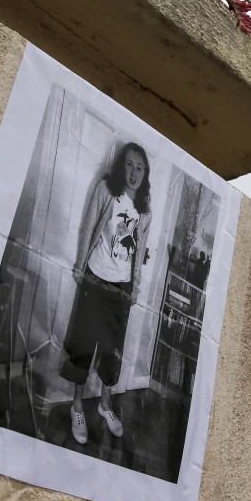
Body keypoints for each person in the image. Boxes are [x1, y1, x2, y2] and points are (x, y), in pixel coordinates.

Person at [62, 142, 152, 444]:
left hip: (123, 286)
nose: (133, 172)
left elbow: (138, 254)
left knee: (113, 349)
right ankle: (77, 406)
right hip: (96, 274)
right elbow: (89, 226)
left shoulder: (144, 208)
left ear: (145, 173)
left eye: (139, 167)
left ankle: (104, 405)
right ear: (120, 165)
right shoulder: (106, 190)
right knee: (83, 341)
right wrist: (78, 265)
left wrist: (135, 287)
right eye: (129, 164)